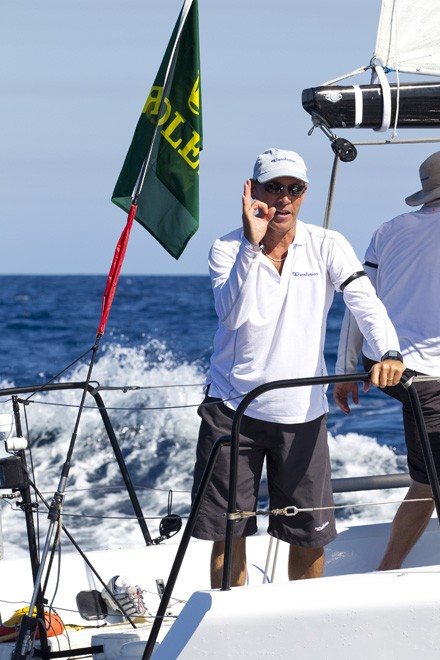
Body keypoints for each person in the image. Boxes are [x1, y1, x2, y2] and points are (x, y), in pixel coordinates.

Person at [191, 147, 405, 587]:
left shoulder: (327, 244)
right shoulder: (227, 247)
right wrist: (254, 245)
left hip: (303, 415)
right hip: (233, 411)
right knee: (229, 536)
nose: (284, 198)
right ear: (253, 191)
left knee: (308, 536)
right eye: (274, 187)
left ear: (304, 193)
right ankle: (232, 639)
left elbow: (365, 302)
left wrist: (389, 351)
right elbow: (232, 315)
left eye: (295, 189)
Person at [334, 150, 440, 570]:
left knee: (426, 479)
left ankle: (389, 567)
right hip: (428, 375)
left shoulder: (387, 231)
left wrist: (345, 371)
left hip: (390, 368)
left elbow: (359, 304)